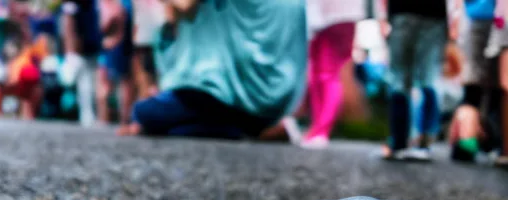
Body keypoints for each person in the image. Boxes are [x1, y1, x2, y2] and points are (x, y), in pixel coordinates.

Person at [118, 0, 307, 139]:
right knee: (174, 127)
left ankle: (240, 130)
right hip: (278, 94)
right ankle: (252, 130)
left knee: (144, 112)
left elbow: (186, 6)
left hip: (232, 91)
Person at [379, 0, 459, 161]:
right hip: (434, 14)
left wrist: (381, 17)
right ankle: (423, 143)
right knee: (428, 78)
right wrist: (454, 19)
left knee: (400, 78)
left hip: (403, 12)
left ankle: (399, 142)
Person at [300, 0, 366, 148]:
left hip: (335, 17)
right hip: (329, 17)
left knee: (326, 73)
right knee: (319, 73)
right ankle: (317, 128)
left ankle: (321, 130)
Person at [448, 0, 506, 163]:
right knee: (497, 87)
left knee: (476, 84)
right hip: (495, 18)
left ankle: (468, 143)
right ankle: (486, 142)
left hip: (480, 17)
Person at [60, 0, 101, 126]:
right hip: (78, 51)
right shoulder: (72, 5)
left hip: (90, 48)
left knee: (88, 86)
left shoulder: (92, 4)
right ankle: (85, 115)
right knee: (80, 84)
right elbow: (68, 26)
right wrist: (70, 50)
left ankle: (87, 115)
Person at [97, 0, 134, 125]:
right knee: (119, 83)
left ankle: (107, 118)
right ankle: (116, 118)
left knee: (111, 84)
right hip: (117, 46)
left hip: (115, 46)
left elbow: (108, 21)